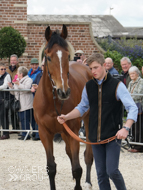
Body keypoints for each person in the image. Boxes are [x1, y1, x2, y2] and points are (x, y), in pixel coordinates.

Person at [57, 53, 138, 190]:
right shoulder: (88, 86)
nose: (93, 71)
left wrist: (126, 128)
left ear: (104, 66)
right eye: (90, 68)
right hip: (94, 138)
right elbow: (82, 107)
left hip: (113, 136)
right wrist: (67, 116)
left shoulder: (117, 85)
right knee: (101, 174)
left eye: (96, 67)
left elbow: (133, 108)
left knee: (112, 171)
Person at [8, 66, 36, 140]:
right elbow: (14, 93)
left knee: (26, 119)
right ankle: (24, 133)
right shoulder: (18, 80)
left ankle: (28, 134)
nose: (16, 74)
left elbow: (26, 89)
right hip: (20, 104)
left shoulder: (28, 80)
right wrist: (11, 87)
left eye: (17, 72)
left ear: (21, 74)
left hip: (27, 104)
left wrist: (18, 84)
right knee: (22, 119)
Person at [127, 66, 143, 152]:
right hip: (132, 108)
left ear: (137, 73)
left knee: (138, 127)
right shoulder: (130, 83)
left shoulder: (141, 82)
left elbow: (138, 94)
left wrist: (129, 97)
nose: (131, 75)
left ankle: (138, 147)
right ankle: (133, 145)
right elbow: (127, 92)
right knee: (132, 127)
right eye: (130, 74)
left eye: (133, 73)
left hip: (139, 108)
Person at [30, 58, 45, 140]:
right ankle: (37, 134)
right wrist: (33, 87)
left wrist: (39, 88)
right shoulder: (38, 75)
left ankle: (41, 135)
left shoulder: (48, 75)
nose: (44, 67)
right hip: (38, 99)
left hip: (45, 101)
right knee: (37, 117)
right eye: (43, 65)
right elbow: (33, 83)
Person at [7, 54, 20, 131]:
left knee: (17, 110)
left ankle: (18, 128)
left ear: (17, 61)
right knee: (11, 112)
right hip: (9, 93)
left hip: (17, 93)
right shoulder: (7, 70)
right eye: (11, 60)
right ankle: (14, 128)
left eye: (14, 60)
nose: (13, 62)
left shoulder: (20, 69)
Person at [0, 63, 11, 140]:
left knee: (4, 116)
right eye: (1, 69)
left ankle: (5, 133)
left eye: (4, 69)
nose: (3, 70)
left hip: (4, 99)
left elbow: (5, 86)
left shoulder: (7, 75)